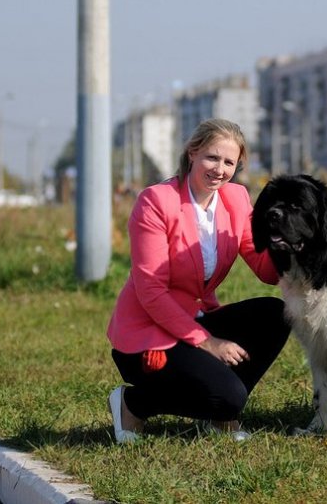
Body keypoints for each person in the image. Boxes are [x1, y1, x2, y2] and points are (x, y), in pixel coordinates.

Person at [106, 118, 290, 443]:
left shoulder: (236, 199)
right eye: (212, 158)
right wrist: (209, 342)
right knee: (230, 397)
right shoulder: (156, 201)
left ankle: (218, 415)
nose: (220, 169)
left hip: (197, 317)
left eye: (229, 162)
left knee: (276, 314)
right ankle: (133, 403)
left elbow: (265, 269)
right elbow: (150, 291)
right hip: (149, 335)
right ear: (193, 153)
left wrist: (291, 244)